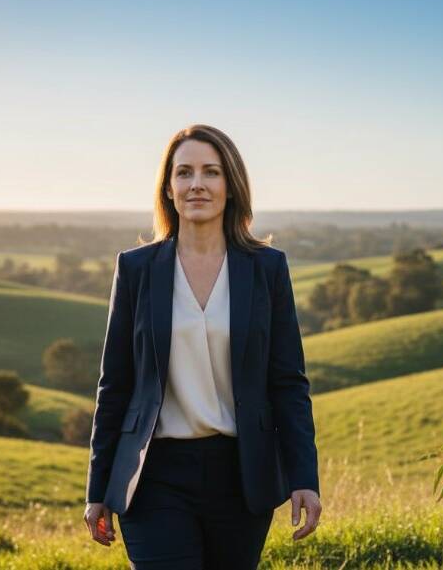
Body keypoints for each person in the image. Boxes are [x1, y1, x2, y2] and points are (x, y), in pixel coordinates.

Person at [83, 124, 321, 569]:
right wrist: (97, 489)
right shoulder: (136, 269)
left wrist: (304, 478)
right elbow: (114, 384)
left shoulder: (266, 268)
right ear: (168, 188)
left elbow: (288, 382)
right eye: (184, 173)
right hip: (154, 475)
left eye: (211, 172)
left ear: (230, 187)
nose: (197, 184)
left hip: (241, 474)